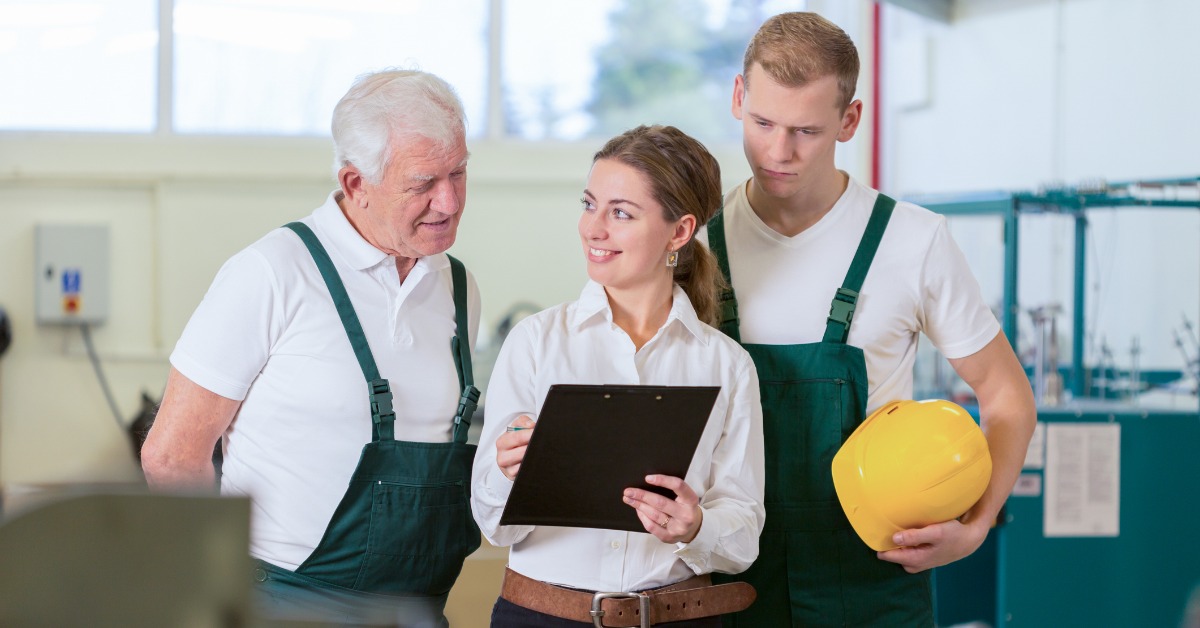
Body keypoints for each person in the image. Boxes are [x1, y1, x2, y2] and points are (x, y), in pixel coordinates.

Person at [704, 12, 1037, 627]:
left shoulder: (914, 241)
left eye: (806, 130)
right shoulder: (696, 245)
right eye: (762, 123)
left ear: (849, 120)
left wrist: (977, 523)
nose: (779, 152)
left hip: (873, 585)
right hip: (724, 584)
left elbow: (1007, 395)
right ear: (737, 98)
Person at [140, 69, 481, 627]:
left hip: (421, 610)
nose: (448, 201)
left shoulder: (458, 287)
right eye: (423, 183)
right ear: (355, 183)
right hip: (284, 605)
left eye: (459, 174)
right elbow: (172, 456)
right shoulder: (272, 272)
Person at [471, 125, 766, 627]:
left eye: (621, 213)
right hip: (541, 618)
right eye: (589, 205)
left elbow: (743, 533)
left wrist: (696, 528)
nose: (593, 228)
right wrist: (504, 473)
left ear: (679, 231)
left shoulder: (727, 365)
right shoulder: (536, 343)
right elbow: (495, 528)